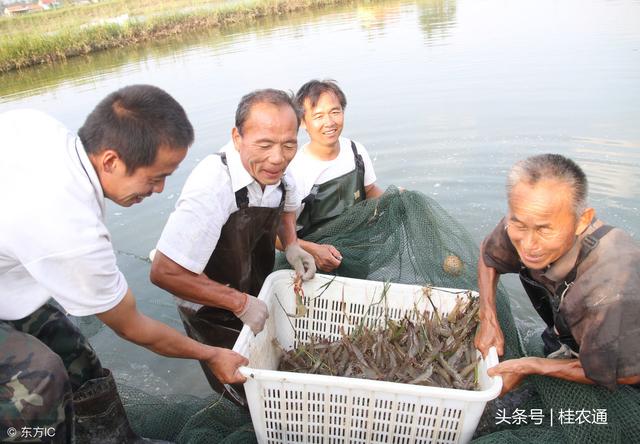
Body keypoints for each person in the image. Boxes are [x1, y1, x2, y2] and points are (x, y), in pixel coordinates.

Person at [0, 85, 249, 444]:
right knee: (40, 377)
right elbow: (133, 328)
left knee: (73, 353)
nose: (160, 190)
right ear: (111, 160)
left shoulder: (38, 126)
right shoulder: (72, 230)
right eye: (155, 177)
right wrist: (211, 354)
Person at [149, 89, 316, 405]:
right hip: (210, 309)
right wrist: (238, 303)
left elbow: (287, 204)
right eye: (264, 144)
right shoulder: (213, 186)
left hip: (255, 292)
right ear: (237, 137)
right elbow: (164, 272)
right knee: (248, 395)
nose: (277, 157)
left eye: (289, 144)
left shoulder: (279, 169)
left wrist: (292, 243)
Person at [474, 153, 640, 395]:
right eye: (519, 224)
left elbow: (628, 373)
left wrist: (533, 366)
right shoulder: (526, 221)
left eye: (544, 230)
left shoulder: (611, 287)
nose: (528, 245)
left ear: (583, 220)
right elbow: (489, 256)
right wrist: (487, 317)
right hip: (570, 334)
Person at [283, 79, 384, 272]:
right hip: (312, 264)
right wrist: (314, 250)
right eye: (318, 116)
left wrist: (393, 200)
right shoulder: (295, 171)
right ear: (303, 122)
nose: (329, 122)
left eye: (335, 112)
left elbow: (370, 189)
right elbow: (277, 237)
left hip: (358, 252)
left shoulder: (356, 151)